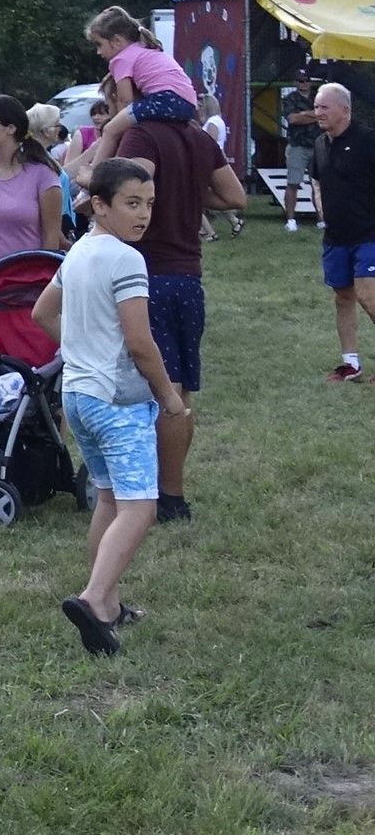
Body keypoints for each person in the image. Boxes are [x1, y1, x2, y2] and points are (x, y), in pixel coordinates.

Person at [35, 159, 186, 656]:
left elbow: (42, 312)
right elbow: (140, 342)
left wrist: (79, 351)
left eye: (149, 204)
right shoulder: (126, 260)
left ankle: (110, 601)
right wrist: (168, 395)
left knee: (108, 499)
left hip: (78, 396)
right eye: (131, 203)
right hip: (118, 402)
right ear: (99, 205)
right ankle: (95, 599)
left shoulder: (79, 250)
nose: (142, 214)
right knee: (140, 508)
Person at [113, 92, 246, 523]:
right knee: (180, 391)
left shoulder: (141, 136)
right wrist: (190, 196)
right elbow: (235, 196)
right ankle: (172, 492)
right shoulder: (198, 137)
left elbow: (131, 186)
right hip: (188, 278)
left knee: (159, 390)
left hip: (147, 273)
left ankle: (162, 498)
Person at [0, 94, 67, 298]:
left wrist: (40, 282)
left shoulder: (42, 174)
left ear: (11, 128)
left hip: (24, 283)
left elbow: (51, 238)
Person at [306, 83, 375, 382]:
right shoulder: (320, 144)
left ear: (345, 110)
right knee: (342, 297)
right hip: (336, 237)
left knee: (368, 295)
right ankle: (351, 364)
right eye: (316, 107)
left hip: (369, 234)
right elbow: (317, 181)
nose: (317, 112)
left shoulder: (367, 140)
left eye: (324, 107)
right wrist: (322, 209)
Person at [84, 5, 200, 163]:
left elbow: (125, 100)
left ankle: (96, 172)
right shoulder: (145, 49)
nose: (98, 52)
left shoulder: (120, 59)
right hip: (188, 104)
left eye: (99, 44)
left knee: (110, 130)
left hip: (164, 99)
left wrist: (121, 124)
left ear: (117, 41)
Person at [282, 71, 320, 230]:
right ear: (295, 82)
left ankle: (321, 219)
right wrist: (314, 116)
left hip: (318, 146)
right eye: (301, 80)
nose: (304, 83)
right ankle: (291, 220)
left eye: (307, 80)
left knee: (317, 184)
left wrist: (304, 114)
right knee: (293, 183)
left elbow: (325, 115)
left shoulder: (319, 98)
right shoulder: (289, 99)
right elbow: (292, 119)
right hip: (298, 145)